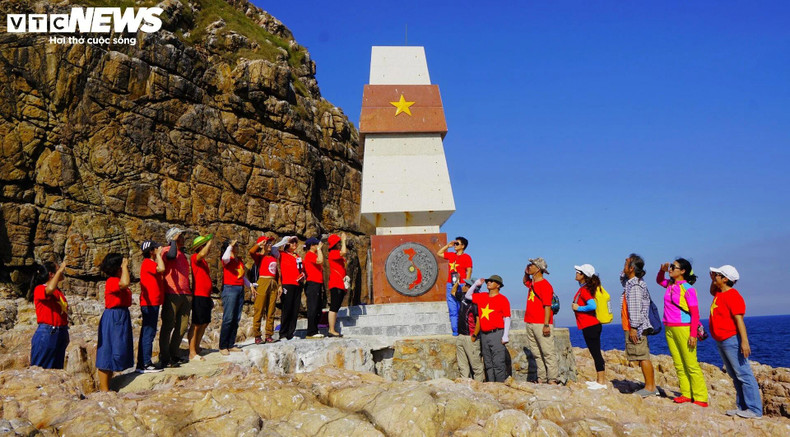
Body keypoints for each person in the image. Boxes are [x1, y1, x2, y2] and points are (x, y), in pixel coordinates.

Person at [709, 265, 763, 418]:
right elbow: (712, 289)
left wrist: (744, 342)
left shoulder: (733, 296)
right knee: (735, 375)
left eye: (717, 275)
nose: (714, 277)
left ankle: (754, 410)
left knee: (744, 374)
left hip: (731, 339)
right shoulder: (719, 292)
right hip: (721, 340)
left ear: (725, 279)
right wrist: (713, 278)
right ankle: (743, 407)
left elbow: (740, 321)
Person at [658, 258, 708, 407]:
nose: (671, 269)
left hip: (684, 328)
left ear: (683, 271)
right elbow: (659, 280)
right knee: (678, 363)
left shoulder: (688, 289)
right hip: (669, 327)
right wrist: (662, 269)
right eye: (671, 266)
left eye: (674, 267)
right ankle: (686, 394)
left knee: (691, 364)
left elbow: (695, 314)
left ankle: (700, 397)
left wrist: (693, 334)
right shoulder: (670, 285)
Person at [96, 254, 134, 391]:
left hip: (121, 315)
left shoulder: (115, 279)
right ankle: (104, 389)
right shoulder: (112, 281)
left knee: (115, 350)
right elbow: (125, 283)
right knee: (107, 350)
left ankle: (109, 385)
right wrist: (124, 266)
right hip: (114, 317)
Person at [621, 253, 657, 397]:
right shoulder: (631, 282)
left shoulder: (635, 285)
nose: (624, 266)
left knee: (643, 356)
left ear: (631, 269)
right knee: (642, 356)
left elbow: (635, 308)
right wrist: (628, 263)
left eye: (626, 264)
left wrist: (634, 328)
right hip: (633, 326)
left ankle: (650, 388)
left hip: (636, 327)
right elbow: (622, 277)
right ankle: (650, 386)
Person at [465, 275, 511, 382]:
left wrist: (505, 335)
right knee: (488, 363)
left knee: (498, 363)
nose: (488, 282)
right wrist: (476, 284)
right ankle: (491, 386)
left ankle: (500, 387)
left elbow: (507, 318)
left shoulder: (503, 299)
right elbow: (468, 295)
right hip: (484, 335)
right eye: (488, 281)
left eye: (492, 281)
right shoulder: (482, 296)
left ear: (498, 285)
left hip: (496, 333)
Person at [522, 257, 559, 384]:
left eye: (531, 265)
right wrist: (525, 272)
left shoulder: (545, 285)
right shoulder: (532, 283)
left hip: (540, 323)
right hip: (530, 322)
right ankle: (542, 378)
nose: (529, 266)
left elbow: (547, 306)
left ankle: (552, 378)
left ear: (538, 269)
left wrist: (546, 324)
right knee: (536, 353)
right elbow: (524, 281)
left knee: (547, 352)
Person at [160, 227, 192, 367]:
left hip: (185, 294)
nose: (183, 238)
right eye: (180, 236)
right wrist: (172, 241)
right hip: (171, 293)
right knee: (168, 325)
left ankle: (174, 353)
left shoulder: (182, 254)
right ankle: (165, 357)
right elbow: (171, 256)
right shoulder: (167, 251)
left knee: (182, 326)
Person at [572, 264, 606, 389]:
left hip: (590, 325)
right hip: (590, 325)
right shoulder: (584, 288)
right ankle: (599, 379)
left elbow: (592, 305)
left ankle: (601, 382)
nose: (576, 273)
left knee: (596, 353)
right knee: (595, 352)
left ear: (583, 275)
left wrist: (578, 308)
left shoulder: (585, 290)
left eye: (578, 272)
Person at [30, 261, 69, 369]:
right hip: (48, 332)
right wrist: (60, 269)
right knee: (41, 369)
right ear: (51, 274)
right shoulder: (39, 288)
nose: (62, 271)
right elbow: (49, 289)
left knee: (56, 369)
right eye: (58, 269)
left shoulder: (58, 291)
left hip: (60, 331)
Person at [219, 239, 255, 354]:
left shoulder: (239, 260)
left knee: (236, 318)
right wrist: (230, 246)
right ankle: (223, 346)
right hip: (230, 288)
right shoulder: (227, 259)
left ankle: (230, 344)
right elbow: (224, 258)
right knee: (228, 318)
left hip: (239, 289)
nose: (237, 248)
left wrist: (250, 285)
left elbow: (241, 276)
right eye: (236, 246)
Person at [136, 241, 165, 373]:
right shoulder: (148, 263)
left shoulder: (148, 263)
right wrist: (159, 255)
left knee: (147, 332)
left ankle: (142, 363)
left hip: (152, 302)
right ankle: (146, 363)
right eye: (155, 248)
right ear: (151, 251)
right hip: (150, 303)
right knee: (149, 333)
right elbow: (162, 269)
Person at [437, 237, 473, 336]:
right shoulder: (451, 255)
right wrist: (448, 246)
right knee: (452, 309)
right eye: (455, 243)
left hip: (461, 284)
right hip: (450, 284)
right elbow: (439, 253)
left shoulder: (467, 257)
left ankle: (463, 329)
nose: (455, 245)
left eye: (457, 243)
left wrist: (467, 283)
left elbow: (469, 270)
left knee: (461, 307)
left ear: (463, 246)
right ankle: (455, 331)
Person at [189, 234, 215, 360]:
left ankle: (197, 347)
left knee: (204, 322)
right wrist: (209, 242)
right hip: (199, 295)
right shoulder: (195, 257)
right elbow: (202, 254)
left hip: (205, 295)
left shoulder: (204, 262)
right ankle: (192, 351)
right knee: (196, 324)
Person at [249, 236, 280, 344]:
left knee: (271, 310)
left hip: (273, 282)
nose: (270, 245)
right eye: (268, 243)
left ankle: (269, 334)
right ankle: (257, 335)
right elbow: (251, 252)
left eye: (270, 243)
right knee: (259, 309)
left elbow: (277, 272)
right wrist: (259, 244)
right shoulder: (260, 257)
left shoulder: (273, 257)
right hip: (263, 281)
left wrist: (279, 285)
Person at [454, 278, 484, 382]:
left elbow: (478, 319)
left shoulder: (475, 302)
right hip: (461, 335)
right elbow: (453, 292)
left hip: (470, 336)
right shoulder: (463, 297)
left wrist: (474, 335)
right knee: (463, 365)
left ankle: (478, 389)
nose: (463, 286)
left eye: (466, 285)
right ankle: (465, 388)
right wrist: (456, 282)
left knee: (476, 366)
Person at [275, 236, 303, 341]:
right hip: (287, 284)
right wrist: (284, 240)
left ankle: (291, 333)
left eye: (295, 242)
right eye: (292, 242)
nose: (294, 244)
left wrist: (302, 275)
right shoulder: (282, 254)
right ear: (287, 244)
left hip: (297, 285)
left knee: (295, 310)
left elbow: (301, 269)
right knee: (287, 309)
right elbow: (273, 248)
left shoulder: (298, 256)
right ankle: (283, 334)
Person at [303, 237, 325, 339]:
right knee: (313, 307)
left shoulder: (313, 255)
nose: (318, 246)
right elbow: (320, 260)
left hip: (317, 283)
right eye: (316, 244)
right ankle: (311, 331)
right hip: (312, 283)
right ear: (312, 246)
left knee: (317, 307)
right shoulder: (309, 255)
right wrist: (320, 249)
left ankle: (314, 329)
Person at [326, 233, 348, 338]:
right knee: (334, 307)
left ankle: (332, 328)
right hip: (336, 283)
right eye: (338, 242)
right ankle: (331, 329)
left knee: (337, 306)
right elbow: (343, 252)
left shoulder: (336, 253)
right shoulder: (333, 253)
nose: (340, 244)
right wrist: (344, 240)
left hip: (340, 283)